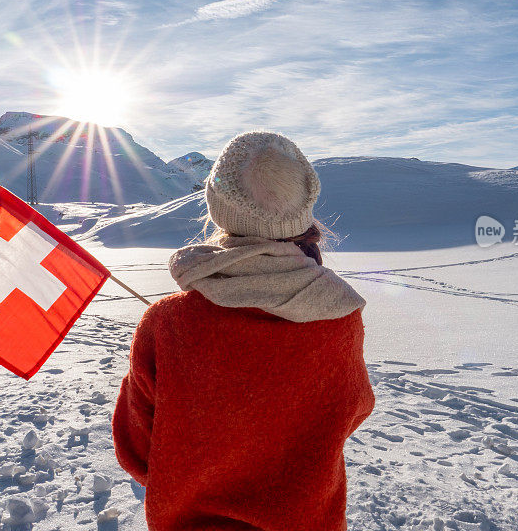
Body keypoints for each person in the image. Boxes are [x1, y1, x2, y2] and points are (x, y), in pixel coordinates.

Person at [112, 130, 375, 531]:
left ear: (219, 212)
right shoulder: (339, 316)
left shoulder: (168, 322)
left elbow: (136, 447)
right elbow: (353, 409)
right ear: (302, 212)